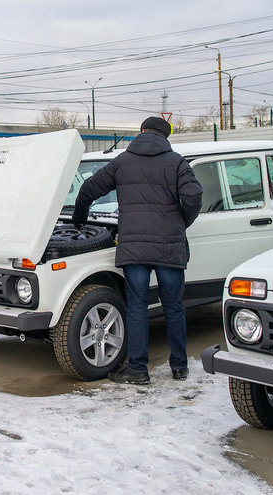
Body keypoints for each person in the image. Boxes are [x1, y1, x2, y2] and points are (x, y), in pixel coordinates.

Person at [72, 116, 202, 384]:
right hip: (169, 246)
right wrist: (182, 222)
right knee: (174, 308)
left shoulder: (122, 162)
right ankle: (179, 366)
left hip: (134, 248)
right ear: (166, 136)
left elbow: (88, 188)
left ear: (141, 132)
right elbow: (194, 196)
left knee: (137, 308)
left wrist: (79, 218)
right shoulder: (177, 162)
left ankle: (138, 370)